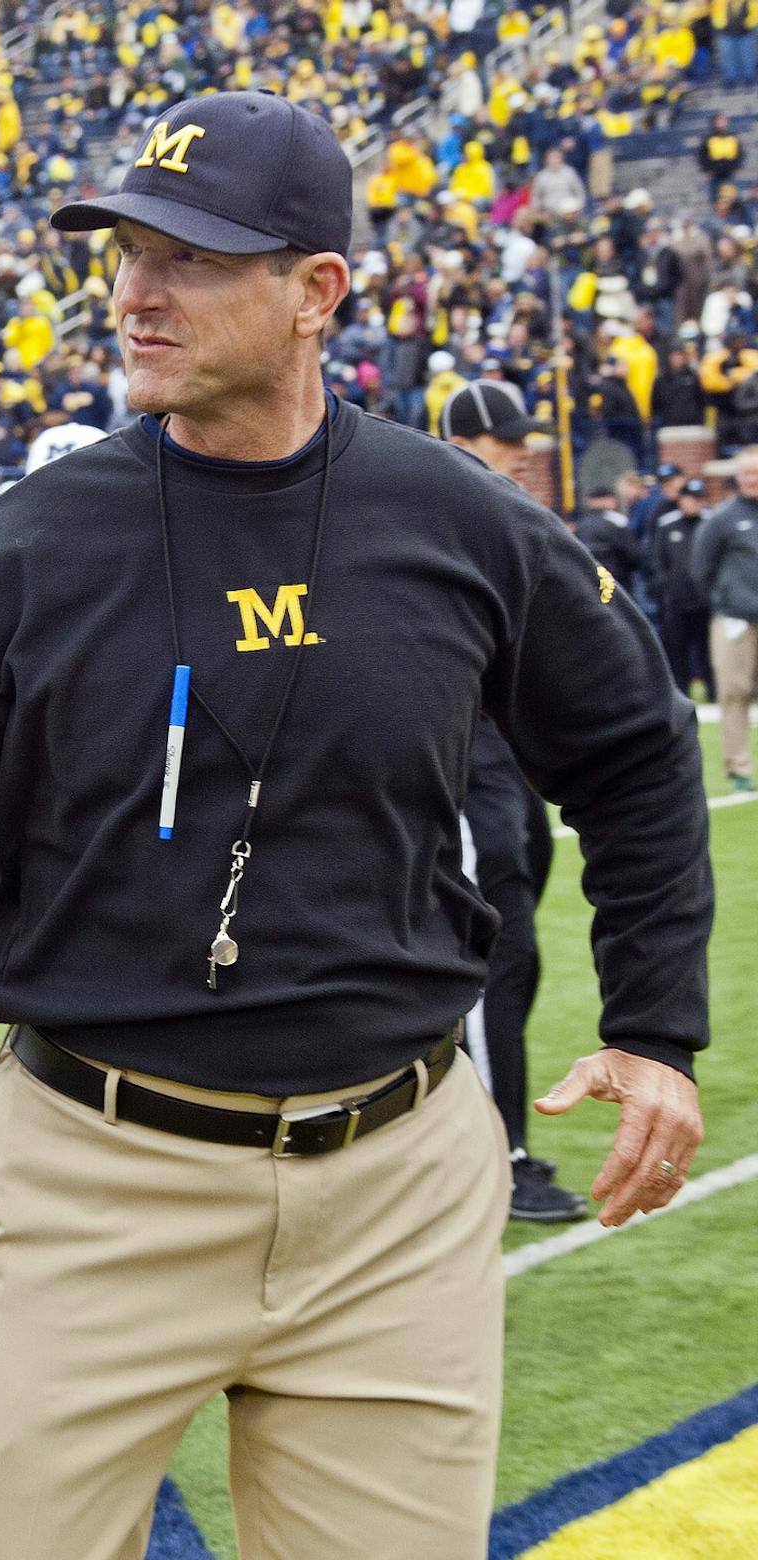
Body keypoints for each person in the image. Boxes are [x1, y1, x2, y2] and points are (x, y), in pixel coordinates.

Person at [0, 94, 710, 1558]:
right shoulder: (27, 550)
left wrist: (657, 1029)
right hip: (93, 1177)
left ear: (318, 293)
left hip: (397, 1176)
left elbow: (634, 751)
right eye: (127, 250)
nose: (135, 290)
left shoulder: (464, 525)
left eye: (190, 256)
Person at [437, 380, 587, 1222]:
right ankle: (501, 1152)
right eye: (508, 439)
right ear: (468, 436)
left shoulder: (503, 515)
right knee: (498, 950)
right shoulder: (440, 507)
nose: (524, 451)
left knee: (513, 943)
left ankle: (463, 1135)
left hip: (502, 759)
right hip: (459, 759)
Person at [692, 446, 758, 791]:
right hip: (735, 621)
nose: (753, 480)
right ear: (738, 476)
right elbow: (701, 569)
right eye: (748, 474)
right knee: (735, 693)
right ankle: (739, 770)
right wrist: (723, 602)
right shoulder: (722, 518)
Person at [653, 477, 717, 702]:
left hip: (705, 601)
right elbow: (658, 561)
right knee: (677, 650)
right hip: (676, 601)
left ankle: (713, 691)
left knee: (708, 651)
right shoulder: (668, 525)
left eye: (699, 499)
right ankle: (680, 694)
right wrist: (665, 591)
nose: (694, 503)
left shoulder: (711, 523)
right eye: (690, 498)